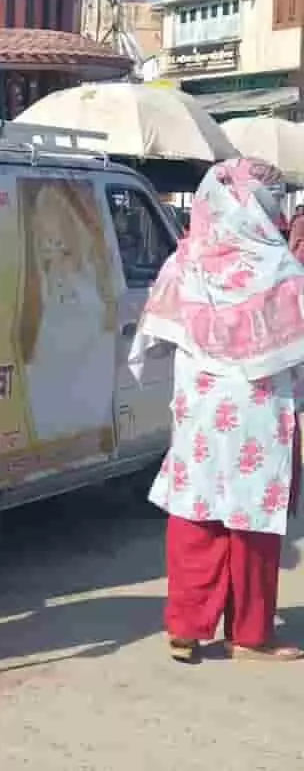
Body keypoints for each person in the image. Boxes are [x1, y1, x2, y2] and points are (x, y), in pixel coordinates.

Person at [129, 158, 304, 664]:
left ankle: (184, 628)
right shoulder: (279, 268)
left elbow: (151, 341)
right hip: (262, 414)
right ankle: (249, 633)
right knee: (253, 521)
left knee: (195, 515)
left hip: (201, 412)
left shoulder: (186, 262)